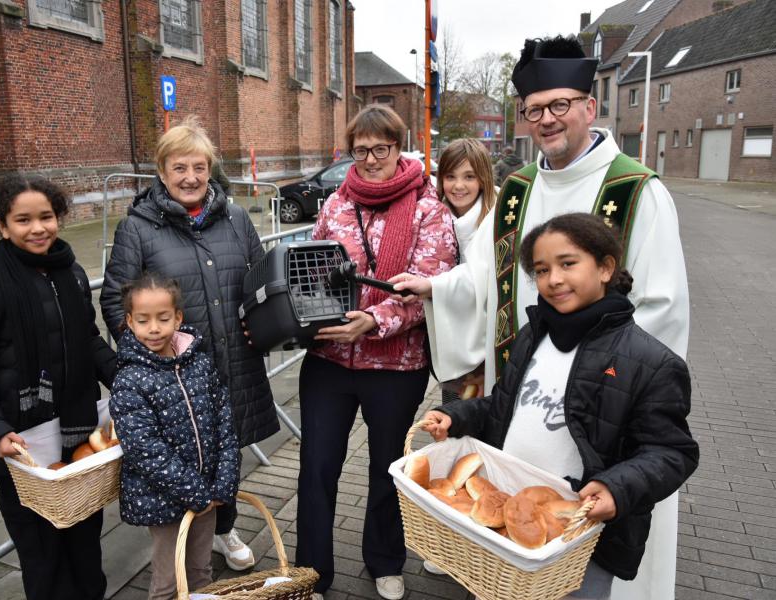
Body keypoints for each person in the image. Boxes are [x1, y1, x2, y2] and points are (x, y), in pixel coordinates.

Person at [390, 35, 690, 600]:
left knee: (588, 571)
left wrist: (599, 385)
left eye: (560, 105)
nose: (548, 120)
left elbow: (663, 308)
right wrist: (435, 295)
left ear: (588, 107)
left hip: (601, 414)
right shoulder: (516, 192)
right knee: (518, 543)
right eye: (535, 110)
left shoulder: (637, 191)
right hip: (525, 403)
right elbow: (490, 286)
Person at [421, 213, 699, 599]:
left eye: (568, 264)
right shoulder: (533, 335)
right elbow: (504, 407)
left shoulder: (650, 362)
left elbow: (671, 452)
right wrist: (456, 415)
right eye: (541, 270)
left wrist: (616, 488)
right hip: (508, 517)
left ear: (605, 268)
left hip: (579, 538)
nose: (553, 279)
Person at [294, 104, 457, 600]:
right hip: (328, 362)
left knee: (388, 467)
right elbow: (312, 265)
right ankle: (312, 572)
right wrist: (310, 311)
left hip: (397, 365)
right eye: (359, 150)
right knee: (317, 466)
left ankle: (385, 560)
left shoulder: (430, 208)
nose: (368, 160)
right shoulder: (336, 204)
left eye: (379, 149)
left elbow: (429, 286)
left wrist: (373, 321)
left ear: (398, 146)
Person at [100, 116, 277, 571]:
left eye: (199, 167)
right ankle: (179, 543)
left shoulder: (236, 218)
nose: (190, 177)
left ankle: (223, 528)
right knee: (179, 454)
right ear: (162, 173)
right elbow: (117, 300)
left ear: (210, 168)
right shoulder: (137, 227)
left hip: (233, 361)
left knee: (225, 447)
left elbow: (259, 281)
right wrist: (145, 360)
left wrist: (266, 328)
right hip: (172, 374)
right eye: (179, 168)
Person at [0, 175, 117, 600]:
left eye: (46, 216)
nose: (37, 228)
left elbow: (89, 340)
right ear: (3, 225)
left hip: (76, 436)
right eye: (23, 219)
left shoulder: (71, 273)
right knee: (43, 560)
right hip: (22, 445)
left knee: (85, 547)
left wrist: (130, 383)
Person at [110, 273, 239, 599]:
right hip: (165, 500)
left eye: (163, 318)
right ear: (129, 321)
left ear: (178, 317)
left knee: (200, 570)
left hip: (208, 493)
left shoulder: (200, 363)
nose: (154, 328)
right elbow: (145, 450)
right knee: (167, 579)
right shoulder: (130, 379)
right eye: (143, 320)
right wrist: (196, 492)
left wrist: (223, 481)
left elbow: (224, 420)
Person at [434, 138, 497, 405]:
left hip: (485, 346)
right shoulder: (435, 217)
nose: (458, 186)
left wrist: (433, 286)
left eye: (469, 176)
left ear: (482, 178)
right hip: (451, 342)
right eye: (451, 176)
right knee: (452, 418)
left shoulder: (497, 218)